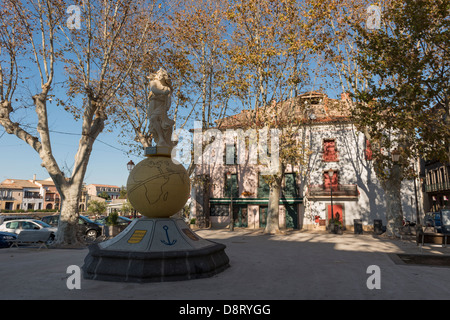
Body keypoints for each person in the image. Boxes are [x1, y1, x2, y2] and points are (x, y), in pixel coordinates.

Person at [147, 68, 175, 148]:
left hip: (161, 106)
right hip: (153, 104)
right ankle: (160, 139)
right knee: (153, 121)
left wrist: (167, 106)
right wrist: (163, 92)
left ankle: (162, 139)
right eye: (158, 75)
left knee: (154, 118)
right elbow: (154, 90)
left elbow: (168, 99)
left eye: (161, 75)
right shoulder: (153, 82)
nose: (159, 77)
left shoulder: (167, 88)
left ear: (164, 77)